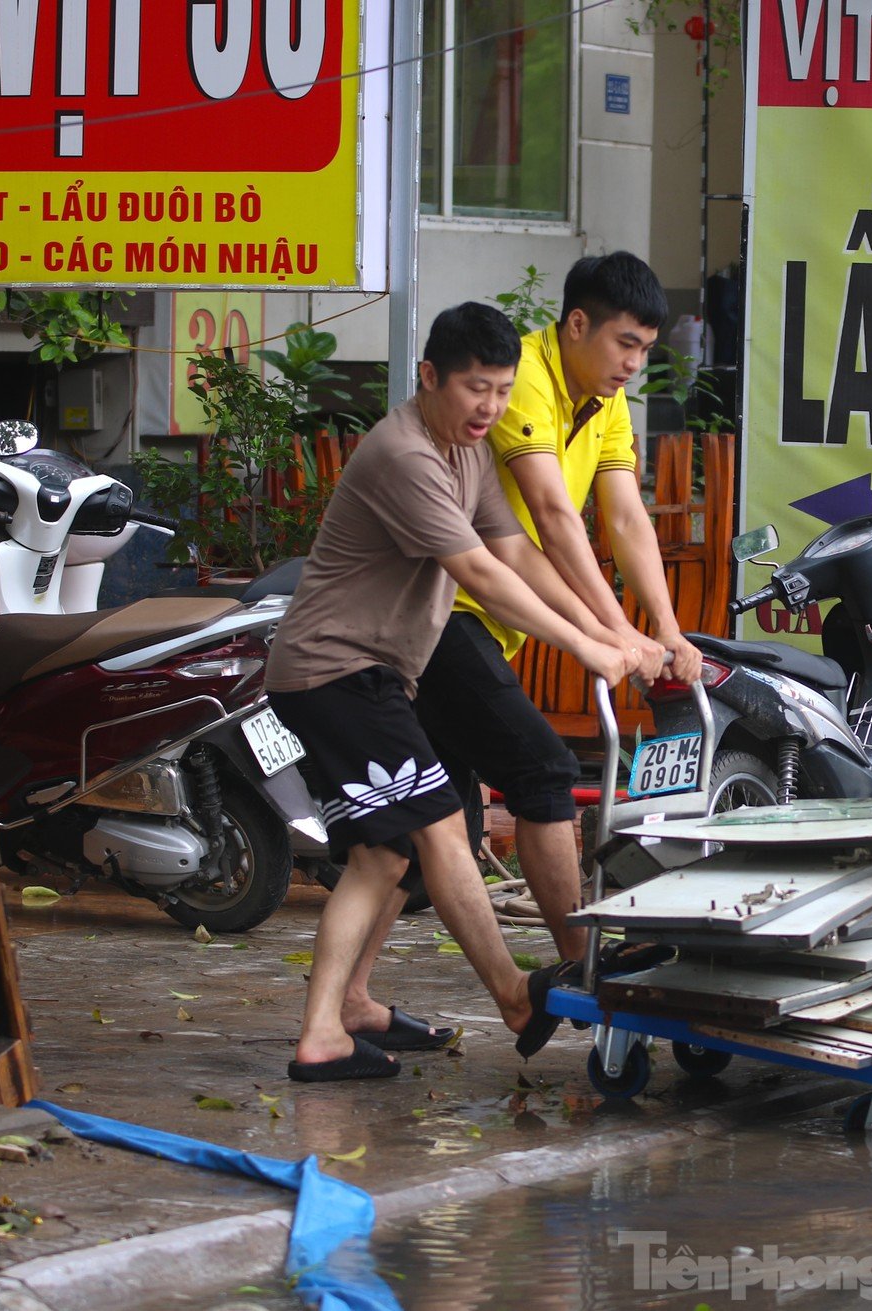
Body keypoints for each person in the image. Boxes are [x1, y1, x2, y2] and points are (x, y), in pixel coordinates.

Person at [264, 302, 639, 1082]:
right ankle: (512, 995)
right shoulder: (405, 455)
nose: (491, 409)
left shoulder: (469, 454)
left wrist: (606, 634)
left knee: (383, 854)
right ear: (429, 376)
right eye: (476, 388)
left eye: (503, 391)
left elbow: (519, 555)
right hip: (336, 673)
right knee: (438, 827)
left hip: (371, 674)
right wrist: (585, 647)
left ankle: (335, 1022)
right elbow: (480, 577)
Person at [429, 252, 704, 875]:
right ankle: (574, 951)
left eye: (646, 349)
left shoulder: (606, 401)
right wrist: (616, 633)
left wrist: (663, 626)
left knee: (421, 839)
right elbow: (553, 516)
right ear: (577, 325)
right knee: (545, 774)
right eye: (624, 344)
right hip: (445, 605)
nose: (634, 364)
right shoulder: (521, 375)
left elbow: (628, 518)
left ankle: (500, 971)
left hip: (498, 615)